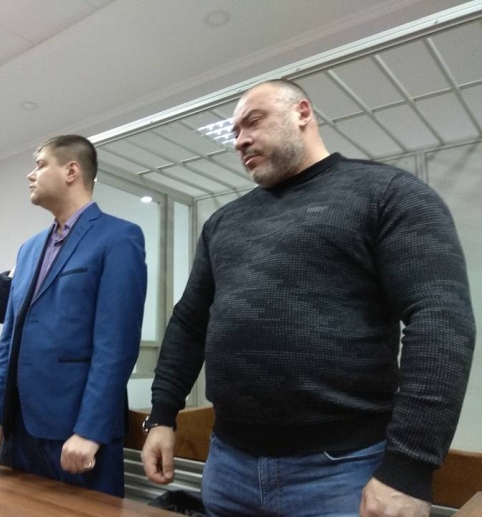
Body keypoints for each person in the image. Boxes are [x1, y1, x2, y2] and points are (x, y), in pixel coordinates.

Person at [140, 79, 476, 517]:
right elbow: (189, 323)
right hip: (228, 466)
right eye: (234, 132)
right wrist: (162, 415)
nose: (239, 140)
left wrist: (408, 468)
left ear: (301, 112)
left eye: (252, 121)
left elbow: (440, 319)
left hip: (344, 472)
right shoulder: (223, 223)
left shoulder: (389, 194)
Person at [0, 135, 147, 497]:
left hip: (77, 435)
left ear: (71, 171)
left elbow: (116, 345)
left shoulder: (119, 237)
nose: (30, 175)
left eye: (40, 165)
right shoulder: (29, 248)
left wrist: (90, 430)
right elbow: (9, 342)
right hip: (19, 430)